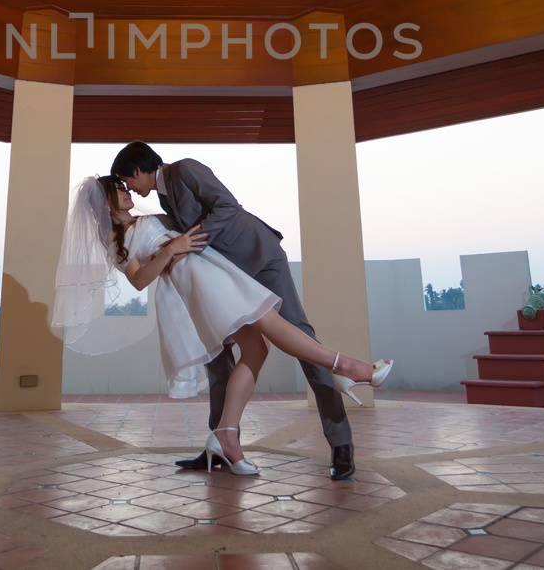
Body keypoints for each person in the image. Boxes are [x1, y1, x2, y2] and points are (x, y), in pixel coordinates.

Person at [51, 172, 390, 477]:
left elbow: (207, 220)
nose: (127, 191)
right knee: (267, 322)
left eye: (126, 184)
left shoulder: (151, 215)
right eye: (118, 189)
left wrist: (179, 245)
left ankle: (226, 434)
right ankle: (349, 367)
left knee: (257, 348)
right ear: (104, 204)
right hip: (198, 279)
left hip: (211, 270)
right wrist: (172, 250)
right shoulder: (115, 242)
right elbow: (140, 280)